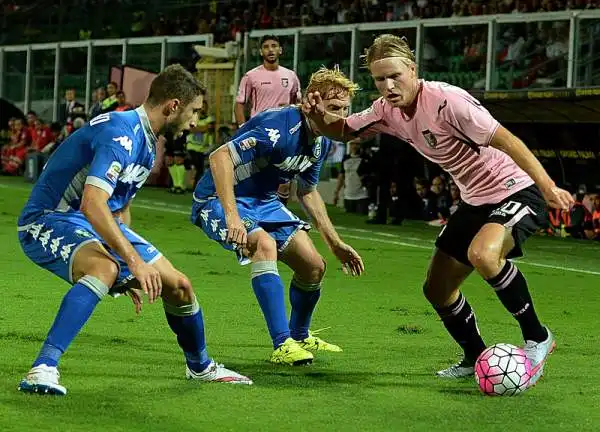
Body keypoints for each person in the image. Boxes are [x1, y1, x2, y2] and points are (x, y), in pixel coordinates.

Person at [303, 34, 574, 385]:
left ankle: (538, 337)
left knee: (484, 255)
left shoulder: (448, 101)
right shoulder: (386, 110)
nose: (387, 85)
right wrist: (317, 115)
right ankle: (476, 356)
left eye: (395, 76)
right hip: (474, 199)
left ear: (412, 69)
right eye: (379, 79)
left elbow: (507, 140)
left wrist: (548, 186)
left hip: (516, 190)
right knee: (437, 288)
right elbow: (341, 131)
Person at [16, 64, 252, 396]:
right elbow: (93, 203)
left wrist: (127, 267)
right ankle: (43, 368)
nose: (195, 122)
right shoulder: (121, 133)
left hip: (89, 222)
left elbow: (119, 208)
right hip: (47, 219)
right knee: (103, 267)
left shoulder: (146, 141)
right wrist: (130, 262)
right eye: (194, 111)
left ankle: (201, 368)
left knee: (180, 286)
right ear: (172, 106)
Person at [192, 67, 364, 366]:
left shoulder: (321, 142)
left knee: (313, 266)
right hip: (220, 199)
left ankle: (299, 335)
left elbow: (307, 192)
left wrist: (334, 242)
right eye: (334, 108)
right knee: (264, 244)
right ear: (313, 101)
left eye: (345, 109)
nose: (341, 116)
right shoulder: (279, 127)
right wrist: (232, 217)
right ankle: (281, 344)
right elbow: (219, 156)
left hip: (265, 202)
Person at [235, 34, 302, 206]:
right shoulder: (251, 76)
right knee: (259, 174)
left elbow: (298, 104)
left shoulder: (291, 76)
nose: (270, 49)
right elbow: (240, 103)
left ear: (280, 50)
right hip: (260, 131)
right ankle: (252, 212)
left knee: (284, 181)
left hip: (284, 133)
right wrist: (243, 128)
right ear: (260, 51)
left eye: (274, 46)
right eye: (266, 46)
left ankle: (279, 215)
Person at [333, 139, 370, 214]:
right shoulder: (345, 158)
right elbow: (341, 176)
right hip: (348, 195)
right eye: (353, 144)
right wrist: (336, 192)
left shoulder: (366, 158)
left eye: (357, 144)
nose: (355, 146)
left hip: (362, 195)